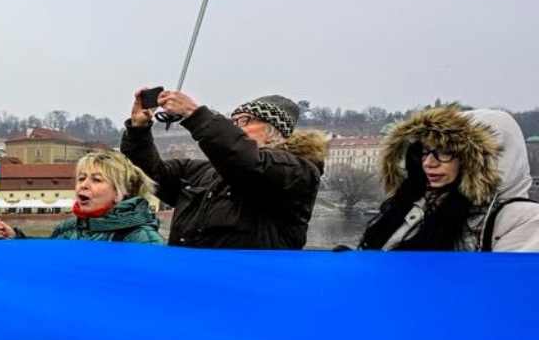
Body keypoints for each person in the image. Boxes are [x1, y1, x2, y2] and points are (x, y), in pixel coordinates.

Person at [122, 89, 327, 249]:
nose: (236, 127)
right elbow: (152, 174)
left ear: (275, 130)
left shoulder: (297, 171)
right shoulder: (203, 172)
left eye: (245, 120)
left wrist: (194, 115)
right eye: (234, 121)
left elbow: (247, 163)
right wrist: (138, 129)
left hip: (250, 287)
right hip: (190, 281)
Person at [358, 107, 539, 252]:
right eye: (425, 151)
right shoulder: (418, 206)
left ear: (484, 161)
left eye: (446, 152)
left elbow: (503, 290)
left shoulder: (524, 220)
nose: (429, 163)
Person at [0, 150, 164, 243]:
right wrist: (15, 238)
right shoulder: (68, 227)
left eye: (96, 180)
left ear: (119, 193)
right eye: (81, 178)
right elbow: (48, 257)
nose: (84, 184)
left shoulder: (140, 237)